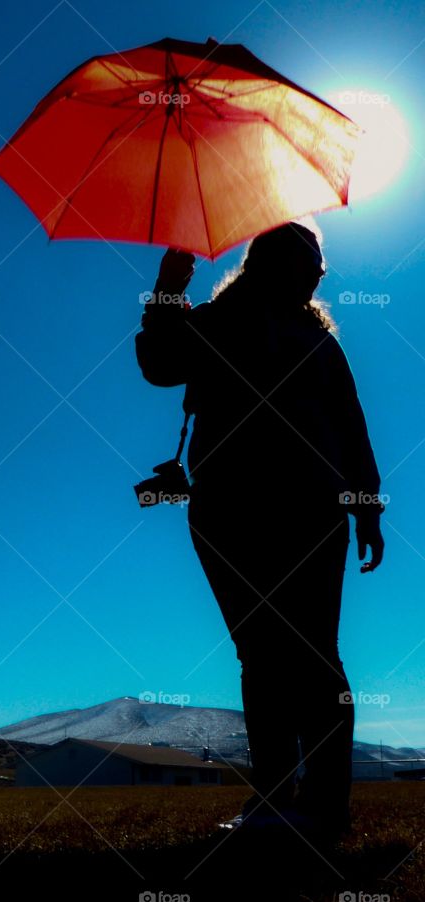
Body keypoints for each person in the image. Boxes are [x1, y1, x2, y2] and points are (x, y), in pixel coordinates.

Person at [134, 220, 385, 845]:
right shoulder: (224, 322)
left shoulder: (317, 342)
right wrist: (169, 286)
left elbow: (351, 427)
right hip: (236, 510)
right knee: (267, 654)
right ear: (280, 264)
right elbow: (160, 362)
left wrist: (367, 506)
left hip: (294, 511)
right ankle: (281, 802)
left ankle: (319, 806)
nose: (322, 272)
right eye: (313, 260)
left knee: (307, 656)